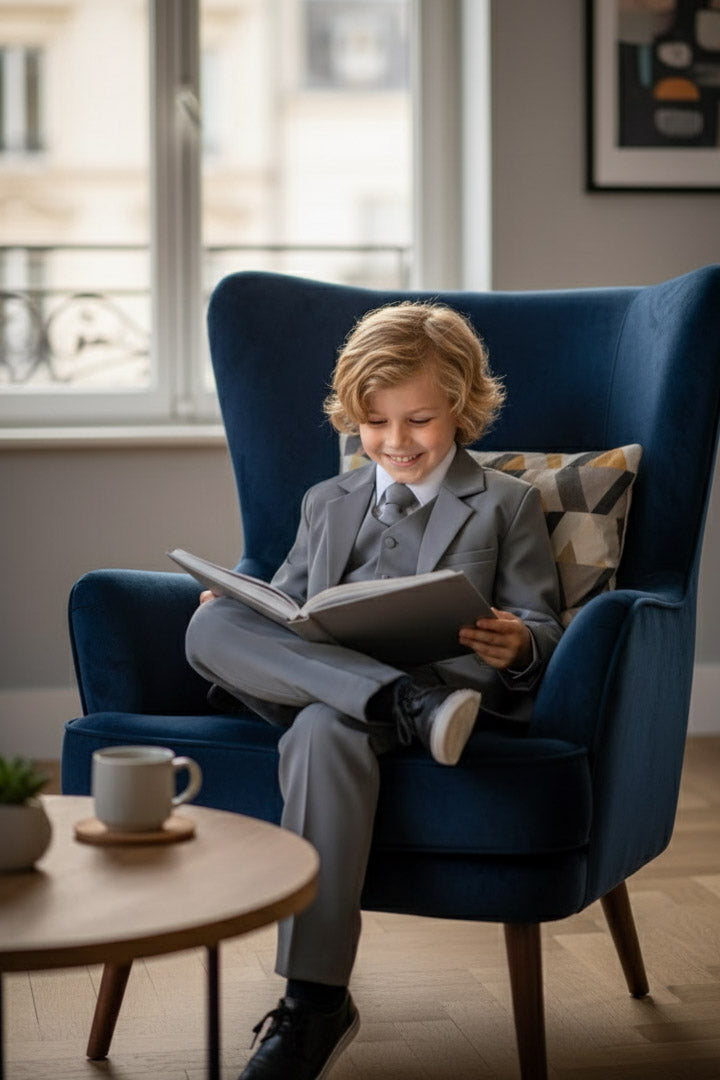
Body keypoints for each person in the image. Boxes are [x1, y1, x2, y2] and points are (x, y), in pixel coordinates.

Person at [185, 301, 563, 1080]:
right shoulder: (326, 502)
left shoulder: (507, 503)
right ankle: (398, 701)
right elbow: (288, 605)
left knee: (325, 730)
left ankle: (313, 1003)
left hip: (430, 694)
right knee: (206, 627)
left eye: (419, 420)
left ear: (461, 408)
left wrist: (520, 642)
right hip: (349, 689)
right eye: (376, 423)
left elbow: (541, 619)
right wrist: (240, 606)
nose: (396, 443)